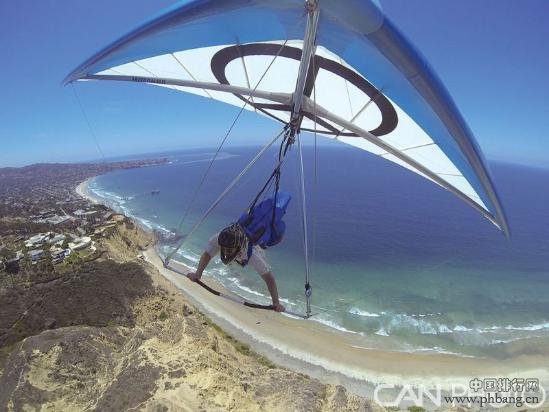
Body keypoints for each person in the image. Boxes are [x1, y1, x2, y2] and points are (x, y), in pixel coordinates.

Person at [187, 223, 286, 312]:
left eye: (229, 250)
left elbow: (269, 279)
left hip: (250, 247)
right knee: (222, 250)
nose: (225, 252)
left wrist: (276, 302)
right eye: (223, 249)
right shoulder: (218, 239)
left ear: (239, 248)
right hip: (236, 237)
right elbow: (207, 255)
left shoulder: (251, 255)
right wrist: (198, 274)